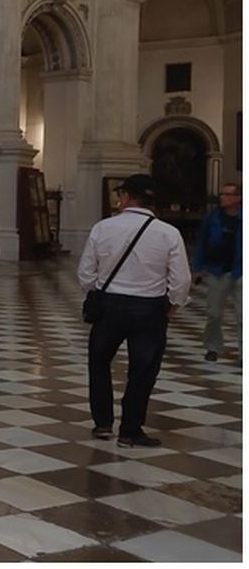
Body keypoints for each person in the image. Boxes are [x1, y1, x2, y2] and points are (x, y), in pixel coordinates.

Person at [79, 174, 191, 447]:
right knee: (142, 371)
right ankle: (130, 430)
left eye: (121, 195)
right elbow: (181, 280)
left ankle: (103, 423)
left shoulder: (103, 228)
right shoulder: (168, 233)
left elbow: (85, 273)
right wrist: (172, 305)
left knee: (99, 363)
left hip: (110, 307)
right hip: (150, 309)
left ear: (127, 197)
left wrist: (97, 292)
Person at [193, 182, 241, 363]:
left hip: (240, 270)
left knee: (243, 314)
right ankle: (212, 347)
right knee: (214, 313)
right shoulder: (212, 219)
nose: (223, 197)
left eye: (228, 194)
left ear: (238, 198)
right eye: (222, 194)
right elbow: (202, 243)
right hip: (217, 270)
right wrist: (197, 267)